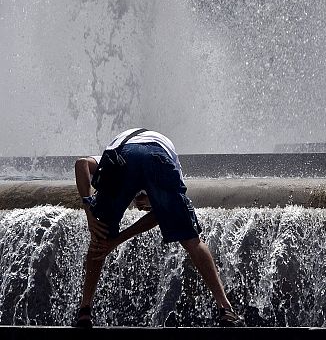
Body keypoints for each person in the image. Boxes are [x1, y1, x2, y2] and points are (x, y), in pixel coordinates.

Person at [74, 128, 243, 328]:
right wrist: (111, 235)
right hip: (157, 158)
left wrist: (90, 211)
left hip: (122, 159)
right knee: (191, 238)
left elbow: (81, 163)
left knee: (99, 234)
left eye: (145, 203)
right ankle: (226, 308)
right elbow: (161, 213)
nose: (141, 206)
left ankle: (85, 310)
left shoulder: (111, 153)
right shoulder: (169, 159)